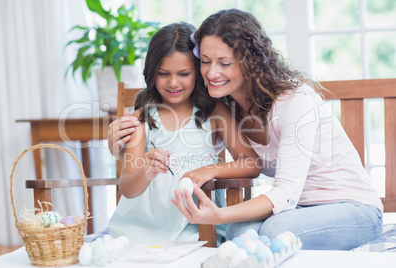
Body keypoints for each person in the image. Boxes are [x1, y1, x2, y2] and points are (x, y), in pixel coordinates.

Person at [108, 9, 383, 250]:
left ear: (250, 62)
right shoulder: (223, 104)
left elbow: (283, 191)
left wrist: (217, 215)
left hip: (350, 208)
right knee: (239, 232)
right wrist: (119, 149)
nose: (212, 73)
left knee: (274, 231)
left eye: (224, 63)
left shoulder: (295, 102)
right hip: (296, 209)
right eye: (205, 61)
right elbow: (180, 144)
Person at [108, 21, 261, 244]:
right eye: (163, 73)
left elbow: (252, 163)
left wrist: (210, 170)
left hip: (197, 232)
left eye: (183, 73)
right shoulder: (142, 118)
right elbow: (128, 189)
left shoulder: (215, 112)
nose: (173, 82)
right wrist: (145, 173)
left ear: (198, 72)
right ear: (152, 73)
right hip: (138, 233)